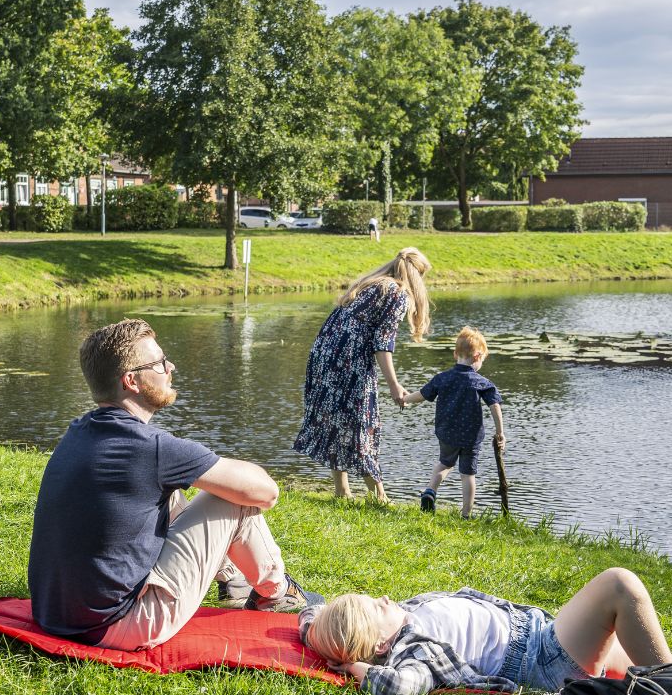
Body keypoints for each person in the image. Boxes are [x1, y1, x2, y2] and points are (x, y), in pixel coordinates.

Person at [29, 319, 323, 651]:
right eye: (159, 363)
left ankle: (233, 581)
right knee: (234, 499)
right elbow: (266, 493)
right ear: (132, 381)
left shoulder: (79, 431)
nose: (171, 367)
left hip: (54, 614)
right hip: (117, 625)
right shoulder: (151, 448)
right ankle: (277, 594)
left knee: (171, 493)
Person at [298, 568, 672, 695]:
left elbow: (313, 616)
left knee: (648, 665)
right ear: (379, 646)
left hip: (545, 634)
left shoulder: (397, 620)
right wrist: (359, 670)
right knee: (619, 585)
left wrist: (313, 622)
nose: (381, 599)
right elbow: (401, 688)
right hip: (547, 657)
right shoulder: (412, 651)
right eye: (374, 610)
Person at [293, 247, 432, 502]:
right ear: (416, 276)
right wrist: (394, 384)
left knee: (336, 420)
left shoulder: (371, 284)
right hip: (348, 359)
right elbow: (382, 343)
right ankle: (379, 497)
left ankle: (342, 490)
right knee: (362, 422)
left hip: (324, 352)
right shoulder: (398, 293)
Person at [402, 327, 504, 518]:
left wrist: (405, 399)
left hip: (447, 432)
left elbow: (422, 395)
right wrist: (500, 432)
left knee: (444, 464)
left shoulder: (443, 378)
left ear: (455, 354)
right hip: (471, 437)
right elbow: (495, 406)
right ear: (477, 356)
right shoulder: (481, 382)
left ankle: (430, 491)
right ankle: (466, 514)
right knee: (468, 474)